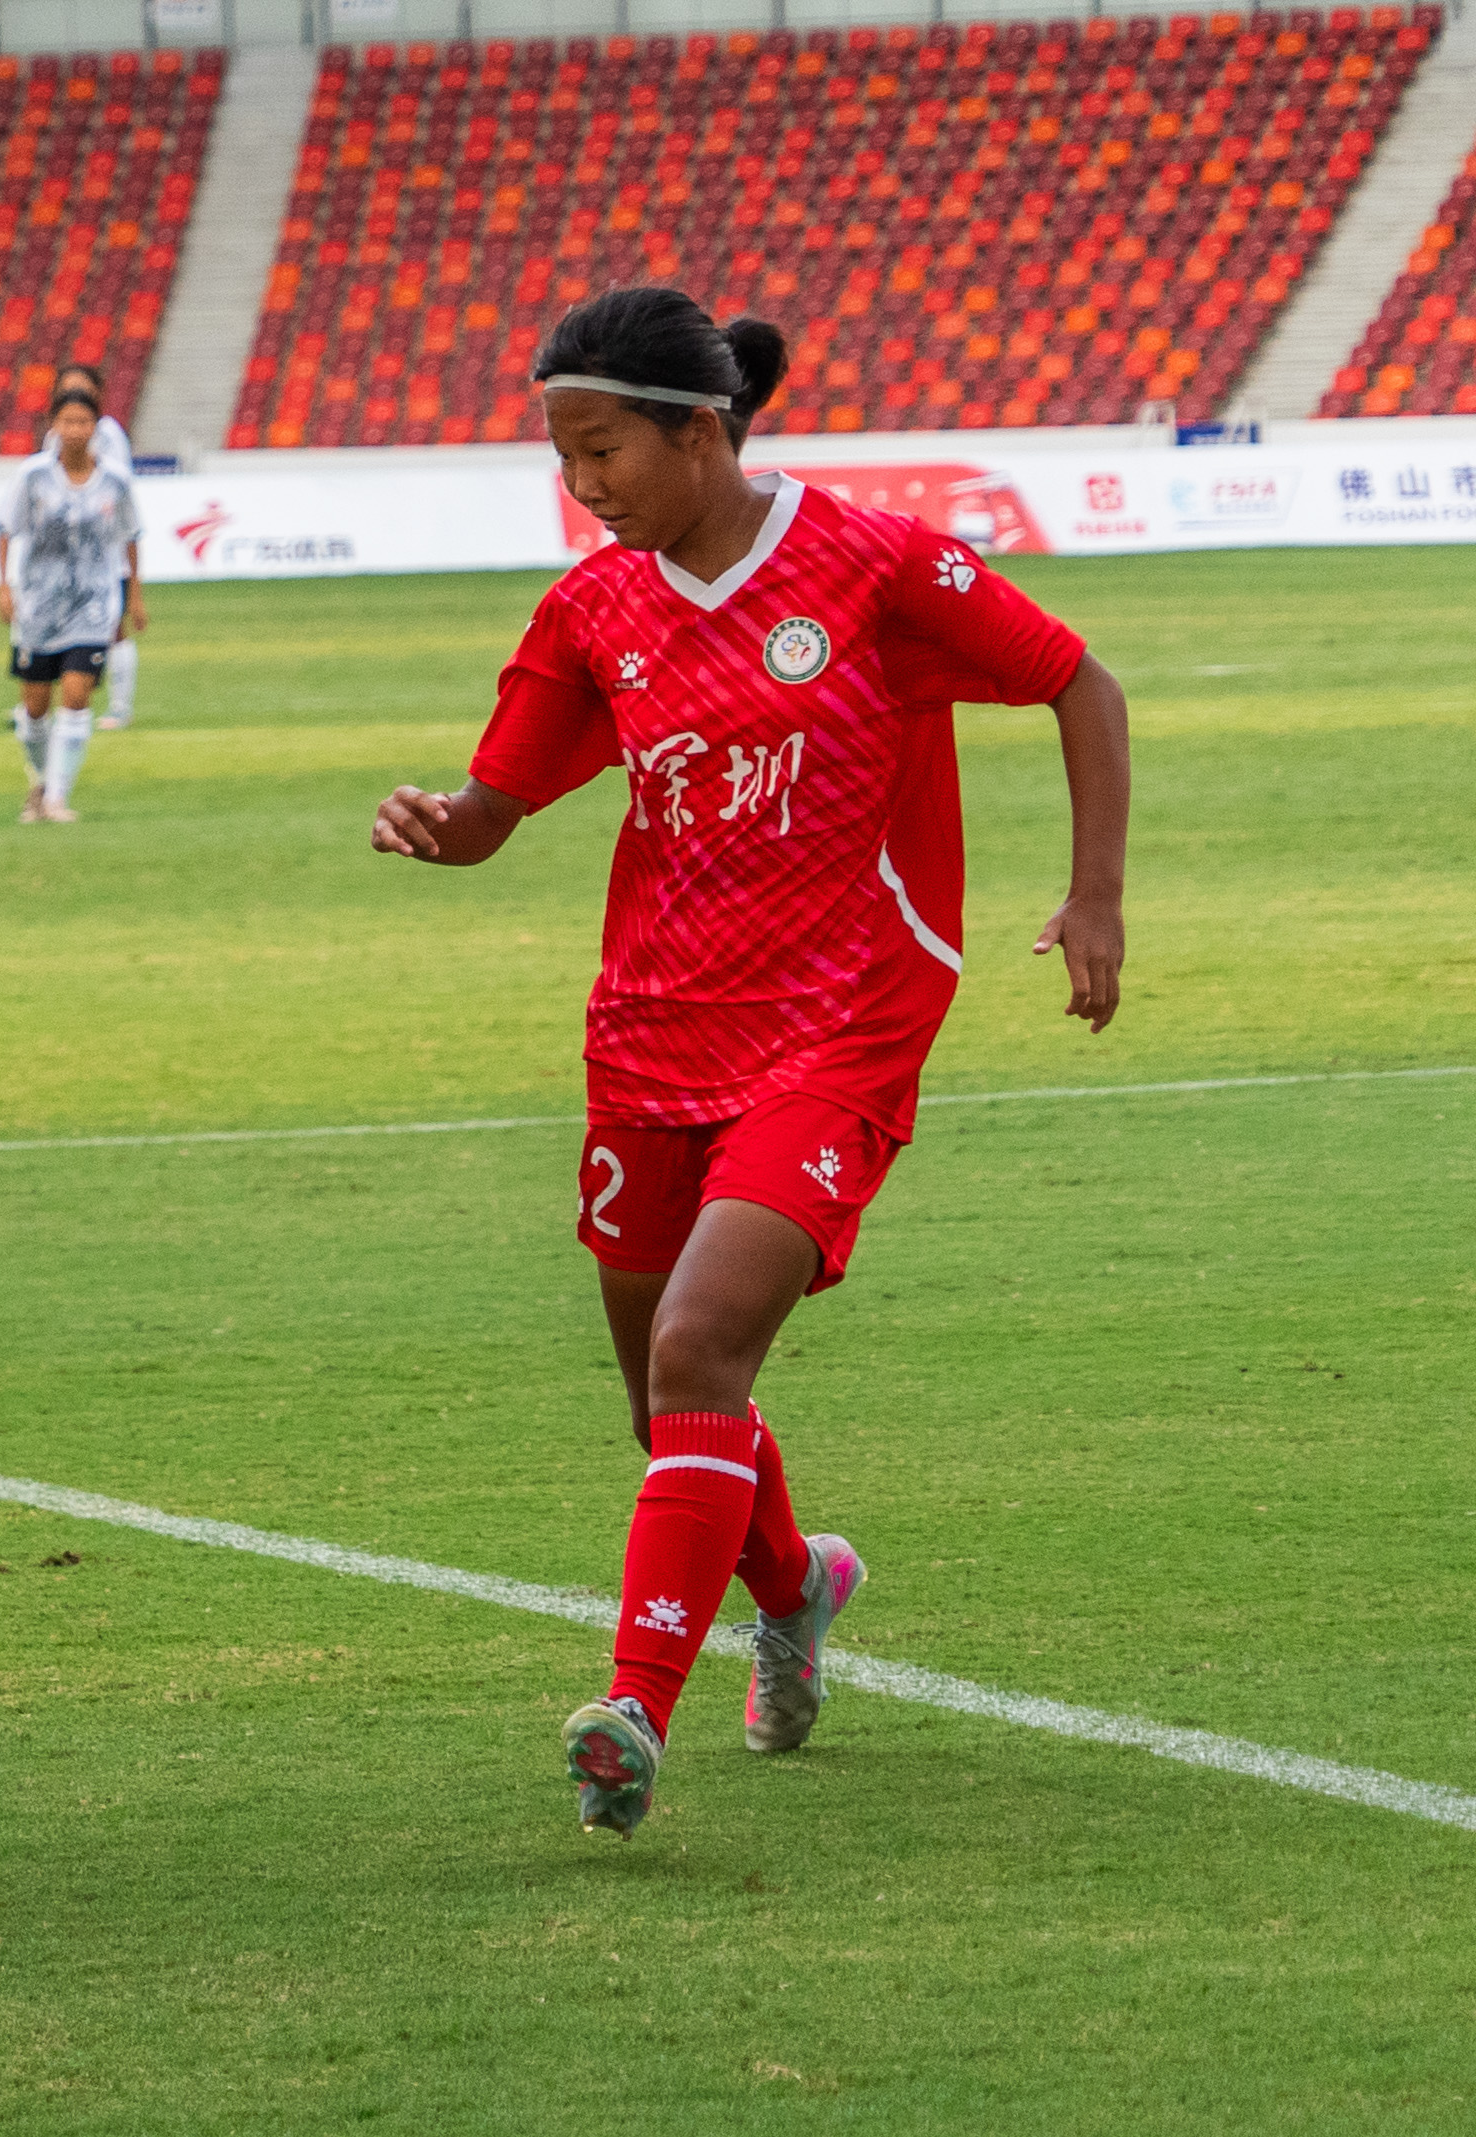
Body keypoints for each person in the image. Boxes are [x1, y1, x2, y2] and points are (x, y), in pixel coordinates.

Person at [368, 287, 1129, 1839]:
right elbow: (498, 804)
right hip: (651, 1030)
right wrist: (448, 831)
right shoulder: (596, 610)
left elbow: (1079, 681)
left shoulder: (873, 564)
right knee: (670, 1402)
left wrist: (1094, 894)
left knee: (702, 1350)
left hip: (843, 1014)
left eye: (604, 452)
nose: (585, 489)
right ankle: (798, 1585)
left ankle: (630, 1711)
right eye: (564, 459)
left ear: (698, 431)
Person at [0, 387, 144, 824]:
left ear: (96, 429)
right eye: (67, 422)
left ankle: (57, 798)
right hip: (39, 606)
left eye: (83, 423)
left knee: (76, 696)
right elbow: (5, 528)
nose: (75, 431)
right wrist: (4, 587)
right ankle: (40, 782)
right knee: (35, 710)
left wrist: (133, 593)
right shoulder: (33, 476)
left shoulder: (115, 481)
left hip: (93, 605)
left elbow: (131, 536)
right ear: (53, 427)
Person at [35, 362, 143, 728]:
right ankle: (42, 706)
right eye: (67, 387)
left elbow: (116, 489)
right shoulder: (55, 437)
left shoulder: (108, 435)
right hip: (61, 558)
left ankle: (120, 707)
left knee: (113, 627)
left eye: (82, 387)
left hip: (103, 551)